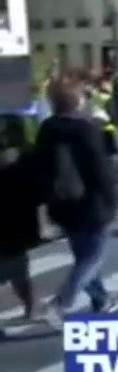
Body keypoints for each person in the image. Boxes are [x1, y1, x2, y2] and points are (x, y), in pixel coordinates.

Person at [34, 76, 118, 325]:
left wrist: (47, 204)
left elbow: (41, 166)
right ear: (78, 100)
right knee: (93, 257)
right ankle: (61, 303)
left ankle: (101, 299)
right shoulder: (86, 128)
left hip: (62, 204)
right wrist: (112, 200)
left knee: (83, 254)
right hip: (92, 203)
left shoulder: (47, 128)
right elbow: (99, 169)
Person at [0, 114, 43, 320]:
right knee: (18, 267)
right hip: (18, 222)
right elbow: (38, 190)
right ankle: (32, 306)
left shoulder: (25, 157)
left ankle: (32, 305)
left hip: (13, 222)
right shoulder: (28, 156)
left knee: (16, 266)